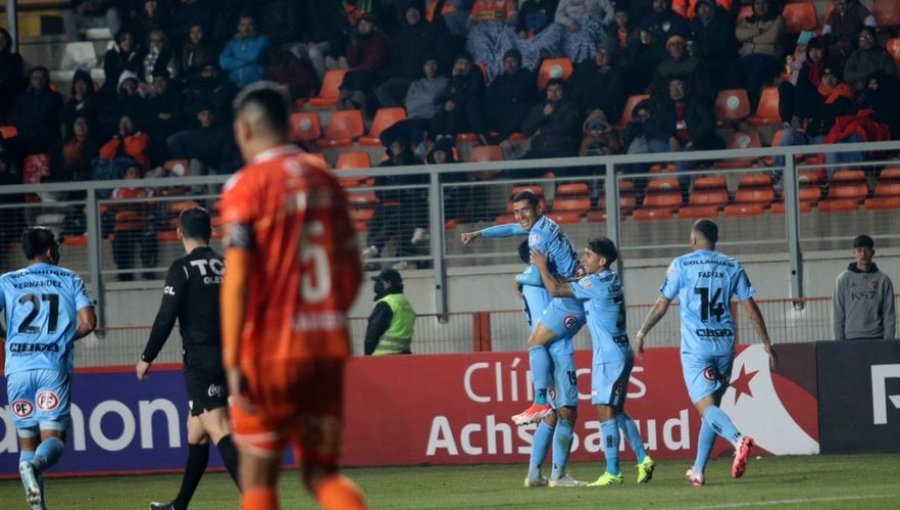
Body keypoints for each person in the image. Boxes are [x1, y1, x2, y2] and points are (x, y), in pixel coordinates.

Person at [218, 82, 367, 510]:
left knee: (258, 477)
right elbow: (354, 271)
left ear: (245, 129)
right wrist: (324, 315)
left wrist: (231, 360)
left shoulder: (245, 187)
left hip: (269, 354)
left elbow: (239, 279)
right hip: (325, 351)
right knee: (322, 475)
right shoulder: (326, 179)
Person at [633, 219, 777, 487]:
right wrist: (766, 341)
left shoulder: (682, 265)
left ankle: (737, 440)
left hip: (696, 348)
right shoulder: (732, 265)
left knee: (706, 407)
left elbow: (663, 303)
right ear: (715, 239)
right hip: (724, 345)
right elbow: (750, 308)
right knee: (710, 409)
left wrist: (642, 332)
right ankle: (698, 469)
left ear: (694, 239)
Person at [136, 207, 241, 510]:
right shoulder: (226, 265)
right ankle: (179, 504)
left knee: (219, 427)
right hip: (230, 355)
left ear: (179, 233)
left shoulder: (181, 268)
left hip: (202, 360)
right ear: (211, 232)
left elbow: (166, 317)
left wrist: (147, 357)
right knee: (196, 432)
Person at [532, 237, 655, 487]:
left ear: (602, 261)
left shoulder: (594, 283)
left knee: (604, 411)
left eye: (588, 255)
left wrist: (543, 266)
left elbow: (555, 290)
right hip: (622, 351)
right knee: (616, 410)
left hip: (608, 357)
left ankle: (612, 471)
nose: (583, 259)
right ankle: (643, 458)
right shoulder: (611, 279)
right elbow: (573, 283)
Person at [460, 190, 585, 426]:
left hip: (568, 299)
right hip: (573, 294)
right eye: (516, 212)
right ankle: (547, 401)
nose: (519, 216)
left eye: (524, 210)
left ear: (538, 209)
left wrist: (519, 277)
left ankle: (541, 401)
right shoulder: (546, 224)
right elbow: (510, 228)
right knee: (548, 345)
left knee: (536, 342)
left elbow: (537, 279)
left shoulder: (536, 237)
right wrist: (478, 234)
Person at [1, 226, 97, 510]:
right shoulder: (69, 278)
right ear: (49, 250)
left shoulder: (7, 280)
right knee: (53, 439)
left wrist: (8, 335)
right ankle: (34, 467)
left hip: (17, 369)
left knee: (27, 442)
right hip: (51, 366)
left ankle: (38, 507)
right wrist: (66, 336)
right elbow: (89, 322)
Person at [513, 241, 585, 488]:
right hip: (557, 349)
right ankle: (559, 475)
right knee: (568, 411)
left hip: (542, 351)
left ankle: (534, 474)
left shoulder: (526, 280)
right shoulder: (542, 278)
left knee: (552, 414)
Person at [833, 234, 896, 341]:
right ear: (854, 253)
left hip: (877, 338)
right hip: (851, 339)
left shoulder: (883, 280)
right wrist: (839, 343)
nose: (863, 253)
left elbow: (889, 314)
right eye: (859, 250)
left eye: (866, 250)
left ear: (873, 252)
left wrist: (888, 343)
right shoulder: (843, 280)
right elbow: (838, 313)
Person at [364, 269, 416, 355]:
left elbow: (373, 332)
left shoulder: (386, 303)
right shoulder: (405, 302)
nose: (376, 285)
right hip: (404, 355)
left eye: (379, 281)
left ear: (387, 284)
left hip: (383, 357)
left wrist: (367, 356)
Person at [219, 12, 271, 88]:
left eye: (250, 24)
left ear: (255, 26)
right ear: (238, 27)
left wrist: (233, 59)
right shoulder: (231, 43)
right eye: (243, 25)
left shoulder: (263, 39)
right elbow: (223, 63)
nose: (246, 28)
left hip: (256, 85)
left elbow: (254, 56)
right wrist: (247, 59)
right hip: (234, 85)